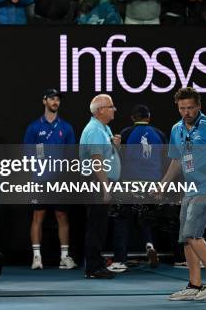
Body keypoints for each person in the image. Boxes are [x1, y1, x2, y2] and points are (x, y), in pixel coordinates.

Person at [162, 87, 206, 301]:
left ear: (199, 106)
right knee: (186, 238)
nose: (187, 112)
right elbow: (177, 160)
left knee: (192, 233)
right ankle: (194, 284)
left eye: (191, 108)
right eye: (182, 108)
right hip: (190, 189)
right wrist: (163, 184)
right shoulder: (176, 129)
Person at [23, 88, 78, 271]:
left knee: (62, 216)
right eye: (52, 99)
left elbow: (71, 155)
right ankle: (36, 257)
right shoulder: (34, 127)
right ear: (44, 100)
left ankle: (64, 257)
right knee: (38, 215)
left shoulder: (66, 127)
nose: (55, 102)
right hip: (39, 179)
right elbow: (27, 154)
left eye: (58, 99)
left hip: (60, 179)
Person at [109, 104, 167, 273]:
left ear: (133, 118)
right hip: (153, 182)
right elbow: (167, 159)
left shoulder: (126, 133)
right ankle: (149, 245)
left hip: (130, 181)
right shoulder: (160, 134)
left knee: (122, 219)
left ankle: (120, 260)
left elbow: (117, 157)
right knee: (145, 217)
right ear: (149, 117)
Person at [79, 94, 121, 279]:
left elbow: (107, 154)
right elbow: (97, 161)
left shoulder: (105, 128)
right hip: (97, 182)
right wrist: (105, 187)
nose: (114, 109)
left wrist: (116, 146)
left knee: (100, 225)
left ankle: (95, 264)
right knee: (96, 225)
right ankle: (94, 267)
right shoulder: (95, 130)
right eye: (111, 106)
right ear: (100, 110)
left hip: (101, 181)